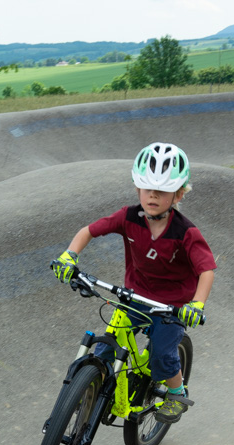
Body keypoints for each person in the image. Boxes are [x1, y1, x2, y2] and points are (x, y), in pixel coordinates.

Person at [52, 142, 216, 423]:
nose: (153, 195)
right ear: (137, 187)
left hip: (171, 306)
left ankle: (176, 392)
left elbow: (207, 270)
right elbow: (88, 231)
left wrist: (196, 304)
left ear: (178, 194)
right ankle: (90, 391)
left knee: (162, 355)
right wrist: (69, 256)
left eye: (163, 190)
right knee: (105, 347)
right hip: (134, 297)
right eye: (146, 187)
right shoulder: (128, 217)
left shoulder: (185, 232)